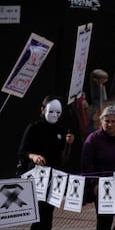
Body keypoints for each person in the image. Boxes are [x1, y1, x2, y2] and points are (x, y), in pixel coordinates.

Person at [16, 95, 75, 230]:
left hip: (54, 179)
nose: (55, 115)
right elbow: (21, 151)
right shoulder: (34, 128)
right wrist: (33, 156)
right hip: (37, 177)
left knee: (48, 215)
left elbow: (64, 159)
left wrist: (68, 144)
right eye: (51, 111)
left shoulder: (61, 131)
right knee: (38, 214)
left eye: (58, 112)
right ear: (43, 110)